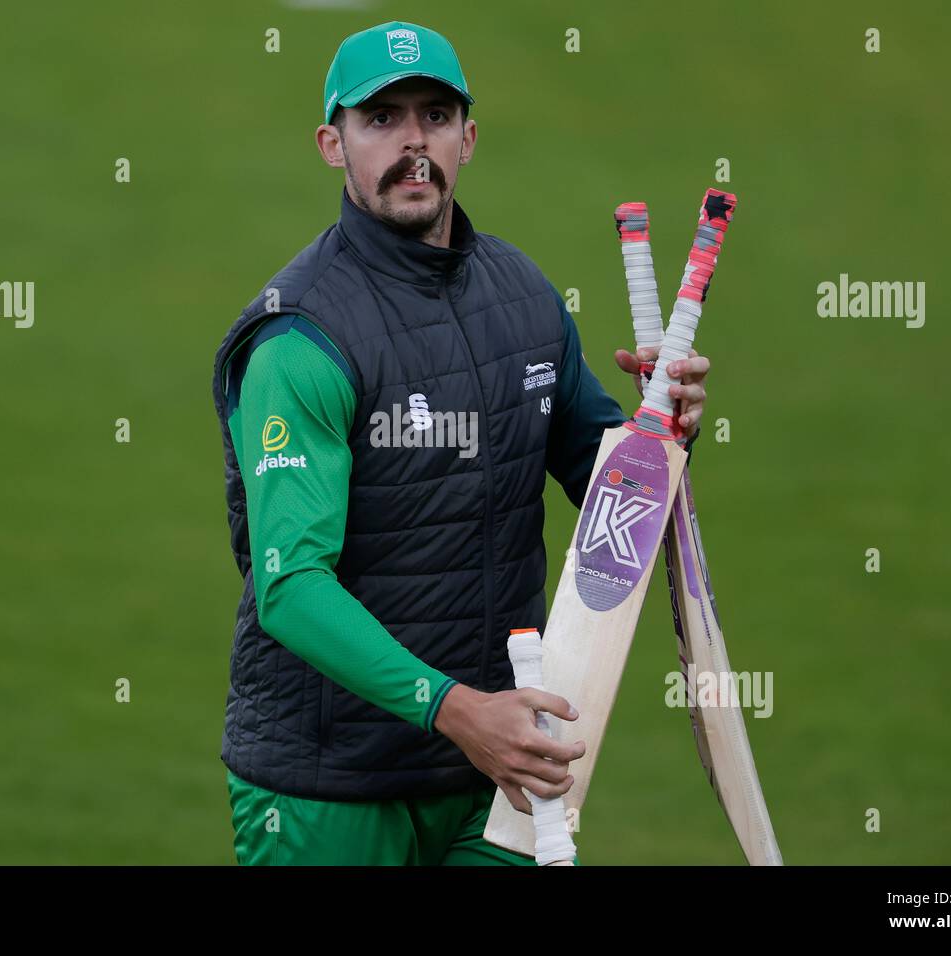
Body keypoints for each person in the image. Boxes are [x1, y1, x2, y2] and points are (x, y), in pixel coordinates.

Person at [210, 20, 711, 865]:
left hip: (499, 779)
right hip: (327, 786)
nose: (413, 142)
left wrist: (662, 432)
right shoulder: (301, 342)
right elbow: (291, 586)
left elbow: (617, 509)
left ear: (468, 137)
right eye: (382, 119)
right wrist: (458, 710)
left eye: (435, 116)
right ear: (333, 144)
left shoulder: (525, 300)